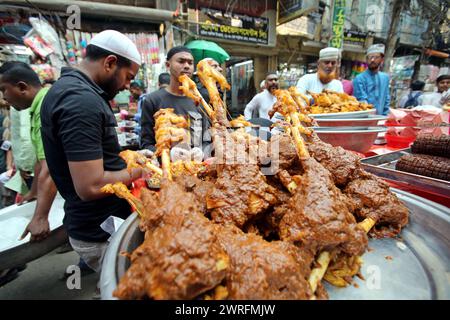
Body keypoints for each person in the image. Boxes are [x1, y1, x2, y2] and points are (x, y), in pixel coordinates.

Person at [40, 30, 143, 273]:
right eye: (128, 77)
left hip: (95, 223)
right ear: (110, 63)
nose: (128, 85)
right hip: (99, 229)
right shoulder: (80, 100)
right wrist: (139, 171)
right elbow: (91, 186)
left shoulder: (73, 90)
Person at [0, 62, 57, 242]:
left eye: (4, 90)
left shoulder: (45, 107)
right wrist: (33, 192)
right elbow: (40, 160)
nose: (4, 97)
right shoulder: (36, 108)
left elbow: (50, 166)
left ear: (22, 87)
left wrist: (40, 217)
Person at [140, 46, 211, 153]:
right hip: (165, 166)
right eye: (181, 61)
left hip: (196, 165)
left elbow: (205, 139)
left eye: (190, 63)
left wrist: (200, 153)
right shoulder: (152, 100)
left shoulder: (200, 101)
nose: (186, 66)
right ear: (168, 65)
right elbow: (146, 143)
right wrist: (166, 155)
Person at [353, 44, 391, 115]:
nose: (372, 60)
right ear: (366, 59)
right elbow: (361, 101)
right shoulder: (359, 78)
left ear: (382, 59)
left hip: (381, 119)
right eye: (370, 57)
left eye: (376, 57)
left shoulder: (385, 78)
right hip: (365, 119)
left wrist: (384, 117)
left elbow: (386, 99)